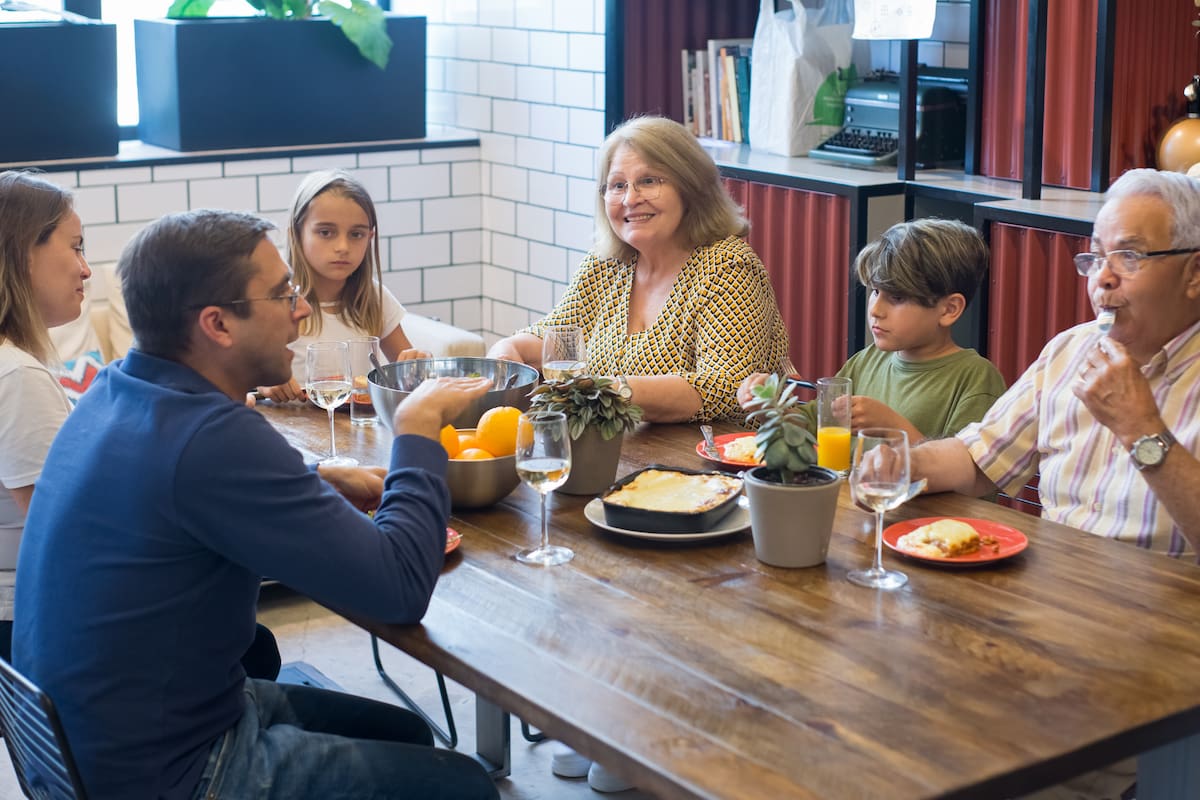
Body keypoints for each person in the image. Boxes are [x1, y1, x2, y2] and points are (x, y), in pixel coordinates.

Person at [13, 208, 499, 800]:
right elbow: (398, 590)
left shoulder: (117, 390)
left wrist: (319, 478)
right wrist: (417, 430)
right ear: (218, 324)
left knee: (403, 732)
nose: (301, 308)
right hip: (172, 770)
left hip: (93, 742)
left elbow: (190, 492)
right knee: (465, 786)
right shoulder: (214, 437)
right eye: (282, 294)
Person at [906, 168, 1200, 798]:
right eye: (1095, 256)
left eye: (1131, 256)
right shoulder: (1071, 351)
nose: (1104, 278)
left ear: (1195, 273)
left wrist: (1140, 428)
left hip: (1157, 665)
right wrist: (887, 462)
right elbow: (978, 461)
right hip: (1045, 631)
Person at [487, 115, 789, 423]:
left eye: (649, 181)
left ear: (691, 188)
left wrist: (608, 390)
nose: (631, 198)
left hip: (721, 461)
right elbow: (557, 341)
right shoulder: (605, 264)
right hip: (627, 455)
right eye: (618, 185)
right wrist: (507, 350)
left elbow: (724, 387)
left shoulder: (727, 266)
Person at [738, 218, 1006, 443]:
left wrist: (896, 430)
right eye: (875, 291)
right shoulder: (866, 361)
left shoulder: (976, 380)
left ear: (949, 309)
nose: (876, 309)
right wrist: (771, 408)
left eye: (897, 298)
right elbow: (811, 433)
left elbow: (972, 481)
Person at [0, 171, 88, 663]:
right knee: (251, 645)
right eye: (75, 247)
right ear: (22, 254)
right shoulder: (15, 375)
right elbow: (61, 537)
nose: (86, 268)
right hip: (22, 625)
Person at [258, 169, 428, 402]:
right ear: (296, 235)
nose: (342, 247)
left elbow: (408, 372)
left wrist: (419, 365)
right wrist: (262, 383)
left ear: (370, 238)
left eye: (356, 234)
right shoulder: (271, 302)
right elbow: (233, 378)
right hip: (290, 432)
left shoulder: (375, 298)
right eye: (326, 232)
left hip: (358, 433)